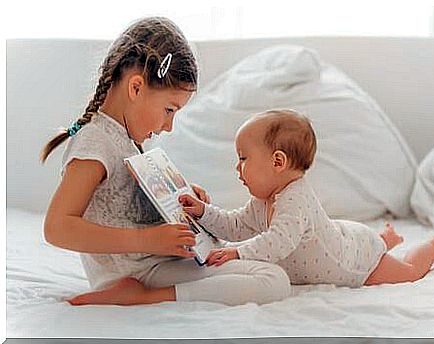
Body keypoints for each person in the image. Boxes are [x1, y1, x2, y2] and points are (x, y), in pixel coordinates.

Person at [41, 17, 291, 306]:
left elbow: (126, 210)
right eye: (169, 109)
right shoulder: (95, 142)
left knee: (271, 271)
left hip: (158, 262)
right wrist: (148, 240)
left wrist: (182, 204)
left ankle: (148, 292)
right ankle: (141, 298)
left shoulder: (126, 140)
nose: (169, 125)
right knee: (273, 281)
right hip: (142, 271)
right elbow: (56, 228)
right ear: (136, 88)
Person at [179, 109, 434, 287]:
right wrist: (203, 211)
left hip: (351, 261)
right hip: (343, 236)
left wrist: (237, 253)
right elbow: (235, 225)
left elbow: (278, 242)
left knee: (408, 272)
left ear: (278, 162)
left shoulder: (295, 199)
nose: (237, 167)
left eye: (243, 158)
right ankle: (385, 239)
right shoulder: (263, 201)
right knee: (371, 242)